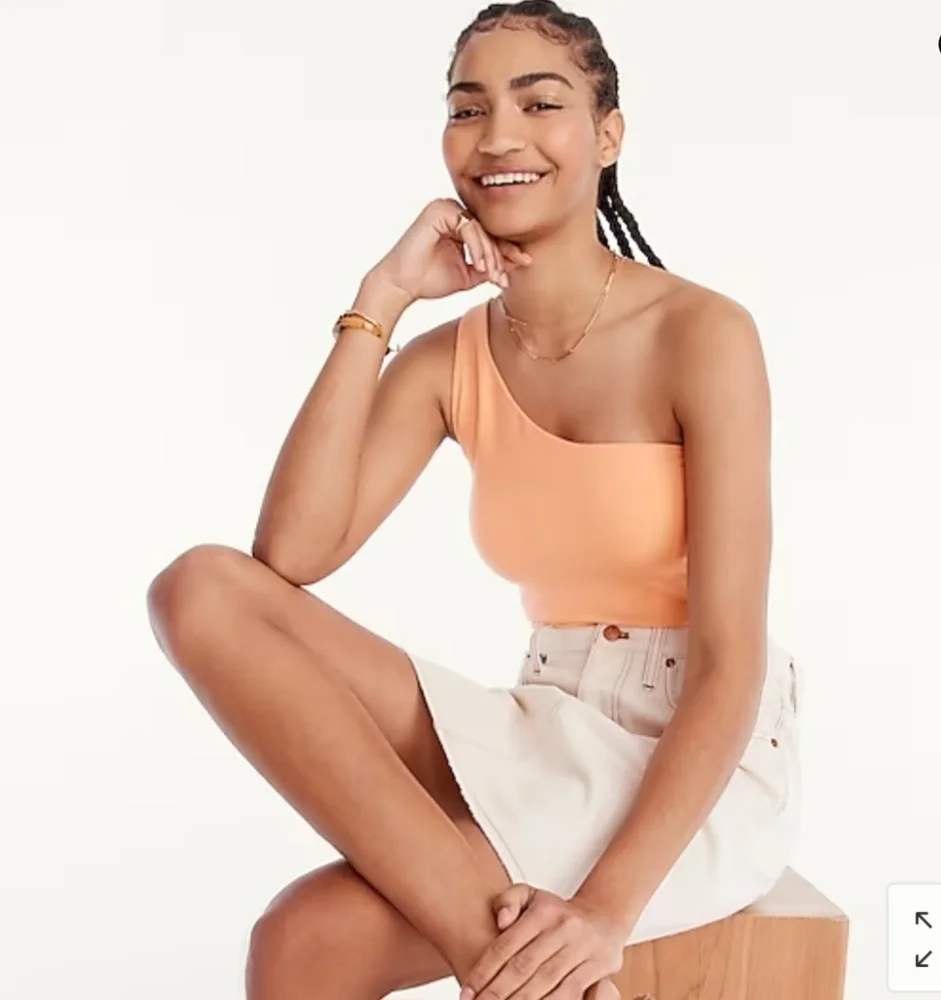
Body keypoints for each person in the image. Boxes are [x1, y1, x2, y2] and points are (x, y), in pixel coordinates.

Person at [146, 2, 802, 998]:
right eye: (467, 109)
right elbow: (287, 559)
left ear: (608, 135)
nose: (497, 136)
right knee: (199, 588)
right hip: (547, 714)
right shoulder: (446, 362)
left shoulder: (702, 335)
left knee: (303, 940)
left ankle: (521, 977)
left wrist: (603, 913)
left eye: (539, 103)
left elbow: (729, 664)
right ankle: (518, 980)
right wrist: (382, 297)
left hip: (696, 754)